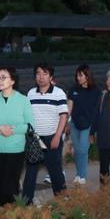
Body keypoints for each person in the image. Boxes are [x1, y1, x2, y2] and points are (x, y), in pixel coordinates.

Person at [0, 67, 34, 211]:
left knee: (10, 187)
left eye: (3, 77)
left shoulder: (23, 100)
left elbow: (30, 125)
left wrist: (12, 130)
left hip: (15, 149)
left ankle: (11, 218)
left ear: (12, 80)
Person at [22, 63, 68, 204]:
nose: (41, 77)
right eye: (38, 73)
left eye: (45, 74)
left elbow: (63, 116)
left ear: (51, 76)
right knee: (30, 172)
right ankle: (25, 203)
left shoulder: (58, 93)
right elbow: (27, 115)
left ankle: (63, 202)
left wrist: (57, 137)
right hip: (34, 139)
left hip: (52, 138)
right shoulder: (31, 93)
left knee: (55, 172)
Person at [67, 64, 100, 184]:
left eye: (81, 75)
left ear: (87, 75)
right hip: (75, 123)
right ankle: (78, 174)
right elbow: (69, 107)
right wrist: (66, 123)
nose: (78, 77)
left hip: (88, 124)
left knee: (83, 149)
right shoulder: (73, 89)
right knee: (77, 150)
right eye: (77, 75)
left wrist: (93, 129)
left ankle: (82, 175)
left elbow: (96, 111)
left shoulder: (96, 91)